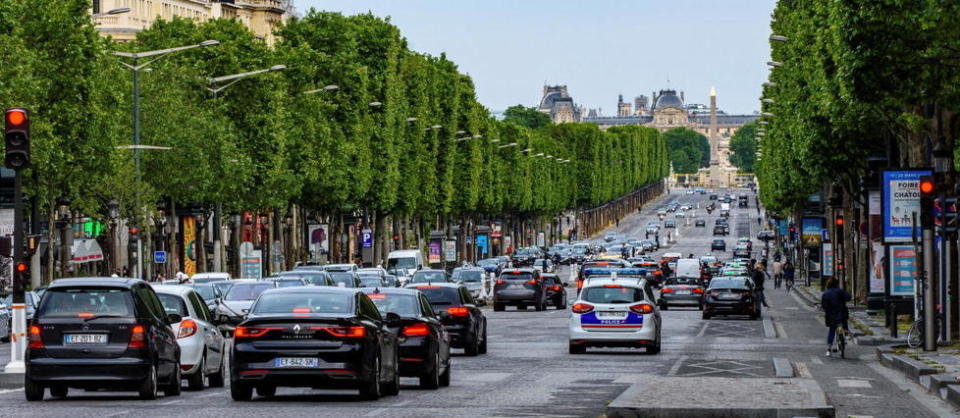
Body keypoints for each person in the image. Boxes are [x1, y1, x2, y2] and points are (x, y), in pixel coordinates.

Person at [821, 278, 851, 357]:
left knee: (832, 331)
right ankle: (846, 334)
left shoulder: (826, 293)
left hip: (831, 315)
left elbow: (823, 305)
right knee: (843, 322)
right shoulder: (840, 291)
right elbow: (848, 297)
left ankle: (828, 349)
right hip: (841, 313)